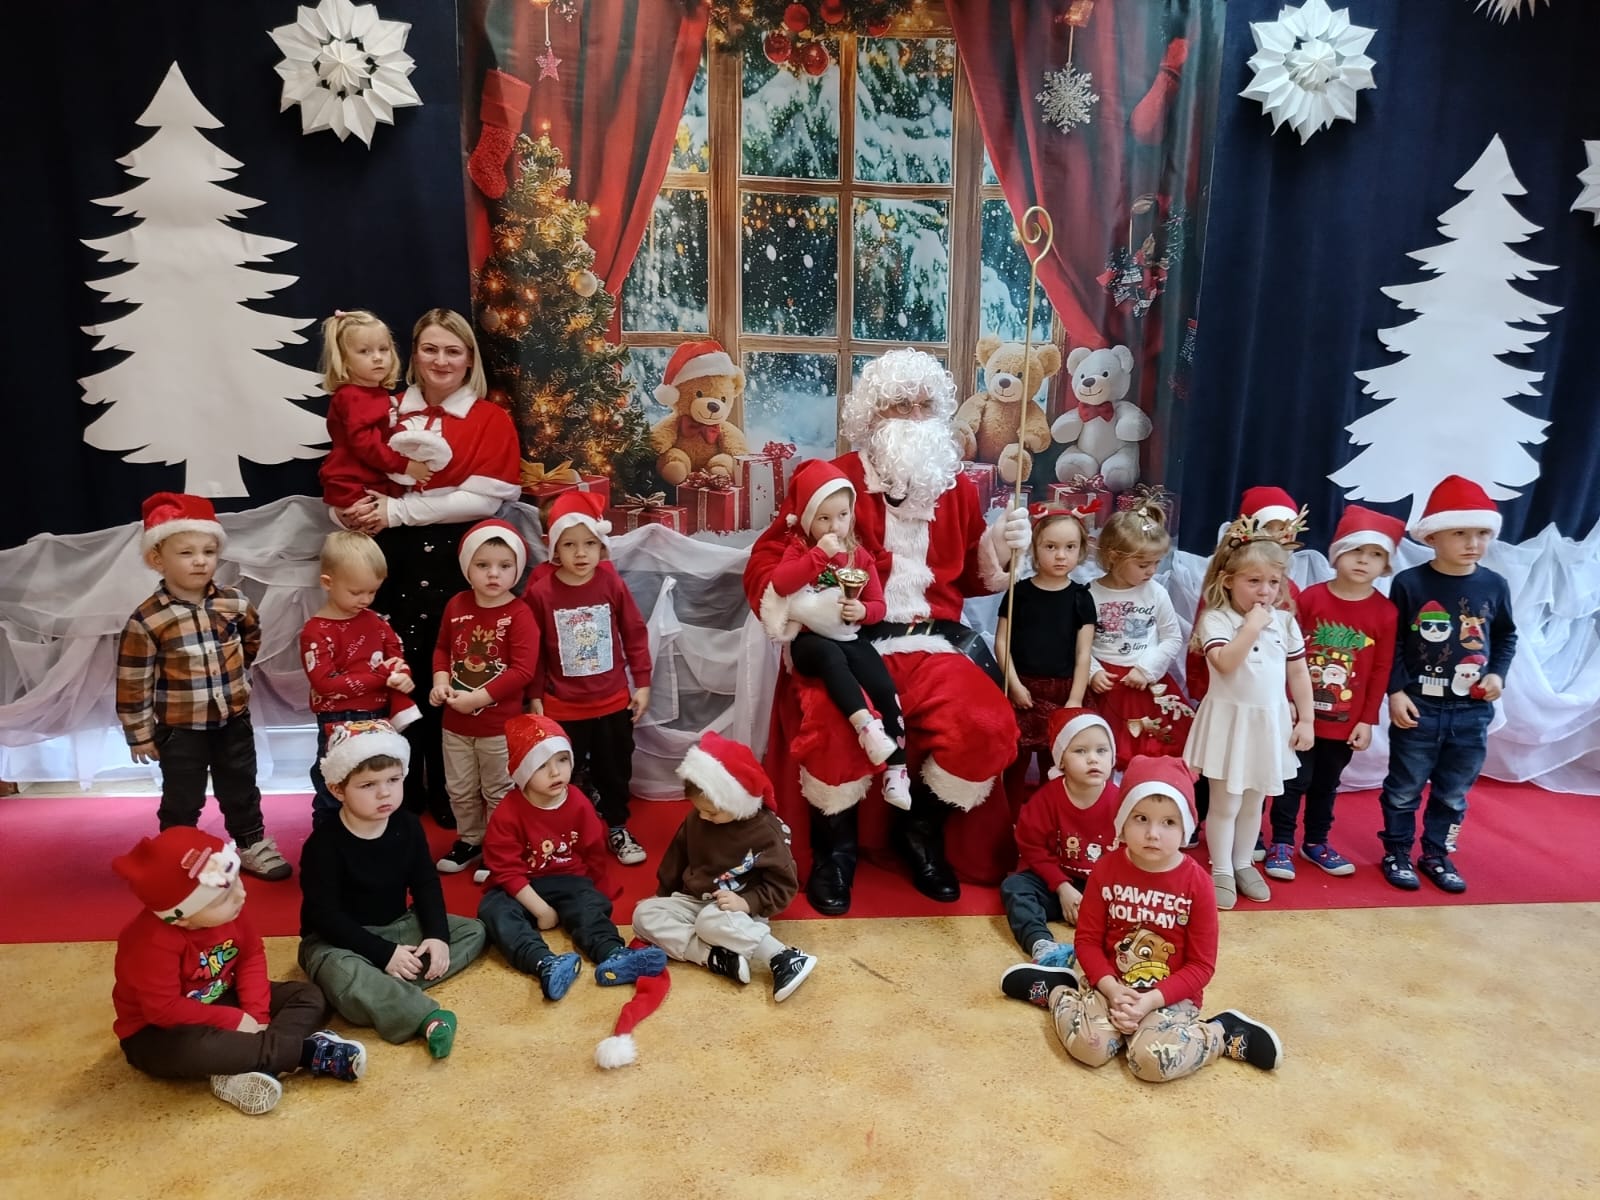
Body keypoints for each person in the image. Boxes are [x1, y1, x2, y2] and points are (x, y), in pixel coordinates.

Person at [742, 348, 1032, 914]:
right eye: (900, 405)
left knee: (987, 724)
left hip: (934, 643)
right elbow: (766, 561)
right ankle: (836, 850)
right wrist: (803, 606)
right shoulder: (832, 482)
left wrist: (999, 545)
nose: (914, 416)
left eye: (925, 405)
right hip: (848, 642)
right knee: (833, 723)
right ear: (871, 415)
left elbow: (970, 579)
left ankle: (920, 831)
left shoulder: (953, 486)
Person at [339, 308, 522, 829]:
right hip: (390, 562)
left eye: (453, 351)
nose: (441, 361)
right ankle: (398, 786)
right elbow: (349, 468)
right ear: (413, 354)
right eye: (430, 349)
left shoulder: (490, 418)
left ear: (469, 359)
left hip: (455, 563)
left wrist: (396, 510)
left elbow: (484, 498)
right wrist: (349, 510)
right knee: (398, 675)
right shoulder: (383, 409)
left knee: (456, 674)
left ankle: (450, 789)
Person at [999, 756, 1283, 1081]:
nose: (1152, 833)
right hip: (1109, 984)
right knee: (1090, 1048)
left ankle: (1224, 1033)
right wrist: (1112, 990)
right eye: (1141, 818)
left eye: (1169, 822)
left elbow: (1201, 966)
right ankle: (1056, 991)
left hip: (1170, 997)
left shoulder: (1198, 884)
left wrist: (1149, 1001)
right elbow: (1087, 942)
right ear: (1122, 821)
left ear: (1186, 827)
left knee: (1150, 1062)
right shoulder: (1105, 869)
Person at [112, 827, 365, 1115]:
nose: (241, 895)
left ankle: (248, 1066)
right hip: (156, 1031)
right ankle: (309, 1053)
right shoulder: (150, 942)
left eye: (236, 881)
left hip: (221, 996)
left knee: (308, 995)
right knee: (200, 1050)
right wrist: (235, 1020)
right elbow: (163, 1009)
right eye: (223, 897)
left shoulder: (230, 911)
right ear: (182, 918)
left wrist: (258, 1016)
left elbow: (250, 957)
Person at [116, 492, 290, 882]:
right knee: (182, 796)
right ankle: (178, 851)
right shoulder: (148, 620)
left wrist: (237, 676)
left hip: (233, 721)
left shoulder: (234, 604)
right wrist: (139, 733)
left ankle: (251, 843)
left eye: (208, 551)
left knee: (241, 787)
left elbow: (251, 640)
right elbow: (133, 679)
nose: (200, 561)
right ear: (157, 559)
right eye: (186, 553)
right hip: (180, 729)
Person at [298, 720, 488, 1059]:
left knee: (473, 931)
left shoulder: (408, 825)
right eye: (368, 785)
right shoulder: (323, 844)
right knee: (340, 972)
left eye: (393, 780)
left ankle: (380, 990)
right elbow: (324, 917)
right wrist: (384, 953)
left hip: (397, 926)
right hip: (337, 942)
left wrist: (437, 936)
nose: (384, 793)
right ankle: (423, 1016)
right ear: (338, 789)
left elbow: (425, 883)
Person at [1379, 476, 1517, 895]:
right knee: (1404, 788)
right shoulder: (1410, 584)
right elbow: (1392, 641)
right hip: (1419, 707)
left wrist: (1497, 674)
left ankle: (1436, 853)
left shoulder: (1494, 585)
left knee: (1454, 792)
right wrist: (1396, 691)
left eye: (1481, 533)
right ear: (1432, 536)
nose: (1473, 543)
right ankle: (1397, 852)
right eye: (1459, 533)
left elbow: (1506, 636)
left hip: (1472, 712)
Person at [477, 713, 667, 1000]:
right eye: (542, 765)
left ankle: (613, 954)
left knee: (588, 906)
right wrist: (541, 910)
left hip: (569, 879)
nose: (556, 772)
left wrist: (597, 892)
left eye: (562, 760)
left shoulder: (578, 802)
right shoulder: (508, 812)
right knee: (494, 911)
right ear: (523, 772)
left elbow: (593, 852)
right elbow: (505, 870)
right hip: (522, 885)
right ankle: (544, 963)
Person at [759, 460, 908, 809]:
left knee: (883, 684)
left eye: (842, 515)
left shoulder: (859, 556)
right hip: (808, 642)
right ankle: (866, 727)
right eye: (823, 518)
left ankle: (897, 769)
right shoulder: (800, 548)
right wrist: (819, 555)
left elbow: (878, 605)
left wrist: (863, 612)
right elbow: (781, 583)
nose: (834, 525)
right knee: (830, 658)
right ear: (808, 519)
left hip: (850, 636)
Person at [1263, 505, 1401, 882]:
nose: (1364, 560)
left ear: (1385, 565)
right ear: (1337, 553)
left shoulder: (1386, 613)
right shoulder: (1311, 599)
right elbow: (1286, 654)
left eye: (1375, 554)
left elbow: (1381, 670)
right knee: (1293, 781)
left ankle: (1316, 841)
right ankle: (1282, 843)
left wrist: (1367, 720)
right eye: (1356, 551)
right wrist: (1287, 700)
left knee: (1326, 785)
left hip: (1345, 722)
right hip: (1301, 716)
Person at [1183, 516, 1315, 909]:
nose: (1265, 591)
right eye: (1254, 581)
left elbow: (1298, 672)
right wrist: (1251, 628)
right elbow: (1225, 663)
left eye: (1273, 582)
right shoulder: (1216, 619)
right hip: (1229, 724)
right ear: (1228, 580)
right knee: (1226, 803)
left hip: (1268, 724)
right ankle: (1221, 867)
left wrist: (1306, 718)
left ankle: (1244, 863)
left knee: (1255, 801)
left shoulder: (1285, 622)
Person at [632, 731, 817, 1002]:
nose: (703, 816)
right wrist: (662, 895)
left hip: (738, 909)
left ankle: (784, 957)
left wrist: (747, 902)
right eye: (699, 809)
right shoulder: (698, 819)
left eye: (712, 812)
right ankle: (717, 957)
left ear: (736, 800)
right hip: (695, 899)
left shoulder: (765, 832)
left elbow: (784, 886)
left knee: (709, 921)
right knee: (643, 915)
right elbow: (676, 858)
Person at [523, 492, 654, 865]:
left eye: (590, 544)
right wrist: (536, 696)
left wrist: (642, 683)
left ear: (602, 547)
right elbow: (534, 650)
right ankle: (566, 833)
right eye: (569, 545)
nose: (581, 553)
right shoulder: (541, 592)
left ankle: (616, 825)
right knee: (563, 771)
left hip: (612, 701)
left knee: (615, 768)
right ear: (554, 548)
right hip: (563, 706)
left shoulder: (611, 584)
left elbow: (634, 633)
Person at [430, 519, 540, 877]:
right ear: (467, 567)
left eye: (504, 566)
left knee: (498, 789)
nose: (493, 574)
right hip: (454, 724)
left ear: (516, 570)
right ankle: (470, 840)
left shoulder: (520, 614)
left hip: (497, 727)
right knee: (459, 789)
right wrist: (440, 681)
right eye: (483, 565)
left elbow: (522, 671)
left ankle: (499, 847)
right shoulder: (456, 604)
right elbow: (443, 648)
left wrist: (478, 698)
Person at [300, 531, 420, 831]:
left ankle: (377, 835)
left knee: (380, 780)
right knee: (335, 781)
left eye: (372, 592)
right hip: (337, 719)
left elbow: (396, 654)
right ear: (327, 582)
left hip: (380, 716)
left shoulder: (375, 620)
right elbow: (326, 684)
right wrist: (383, 676)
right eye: (356, 592)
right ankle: (328, 839)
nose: (365, 600)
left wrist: (402, 677)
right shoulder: (316, 631)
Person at [995, 505, 1098, 814]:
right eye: (1051, 547)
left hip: (1063, 692)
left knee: (1056, 764)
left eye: (1070, 547)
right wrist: (1014, 686)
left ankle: (1049, 820)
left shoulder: (1081, 597)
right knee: (1014, 761)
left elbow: (1084, 653)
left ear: (1080, 550)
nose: (1060, 556)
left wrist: (1075, 699)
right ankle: (1010, 820)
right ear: (1034, 548)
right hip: (1022, 688)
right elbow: (1002, 642)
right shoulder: (1018, 593)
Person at [999, 709, 1120, 969]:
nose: (1093, 759)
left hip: (1104, 887)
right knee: (1015, 887)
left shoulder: (1122, 803)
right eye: (1080, 751)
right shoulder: (1047, 799)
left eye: (1102, 750)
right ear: (1061, 760)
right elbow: (1031, 846)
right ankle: (1042, 944)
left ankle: (1113, 947)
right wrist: (1062, 887)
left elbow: (1128, 856)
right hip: (1057, 881)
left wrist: (1098, 896)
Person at [1086, 501, 1193, 769]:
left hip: (1144, 685)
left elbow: (1172, 638)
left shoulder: (1156, 592)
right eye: (1144, 564)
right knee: (1103, 752)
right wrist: (1093, 672)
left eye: (1156, 563)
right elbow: (1076, 644)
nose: (1152, 571)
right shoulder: (1088, 594)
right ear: (1114, 556)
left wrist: (1146, 669)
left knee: (1152, 751)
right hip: (1105, 687)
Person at [316, 309, 450, 513]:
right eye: (364, 351)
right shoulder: (352, 396)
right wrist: (406, 466)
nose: (377, 358)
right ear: (343, 360)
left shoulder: (375, 392)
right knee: (365, 524)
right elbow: (365, 445)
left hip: (374, 475)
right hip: (353, 480)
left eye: (383, 349)